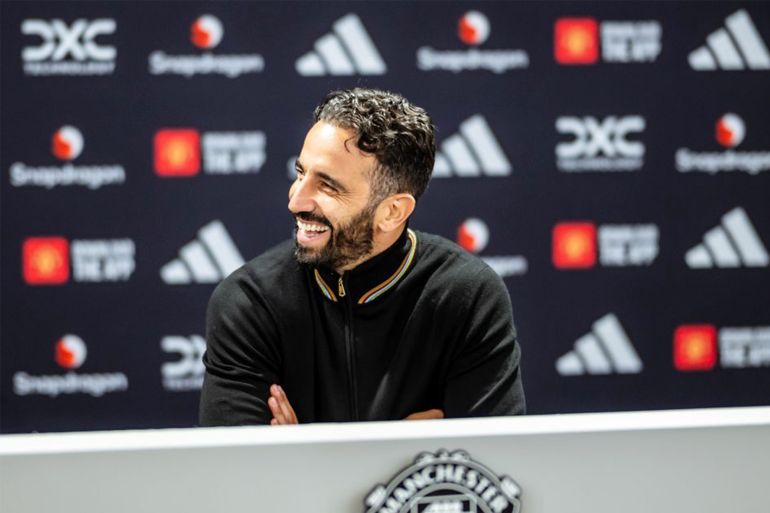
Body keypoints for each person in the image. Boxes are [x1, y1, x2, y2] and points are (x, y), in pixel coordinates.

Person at [199, 88, 525, 426]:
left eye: (327, 186)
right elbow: (238, 473)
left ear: (393, 212)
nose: (296, 200)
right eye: (300, 173)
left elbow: (488, 467)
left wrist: (301, 452)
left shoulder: (468, 296)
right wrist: (404, 447)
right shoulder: (249, 303)